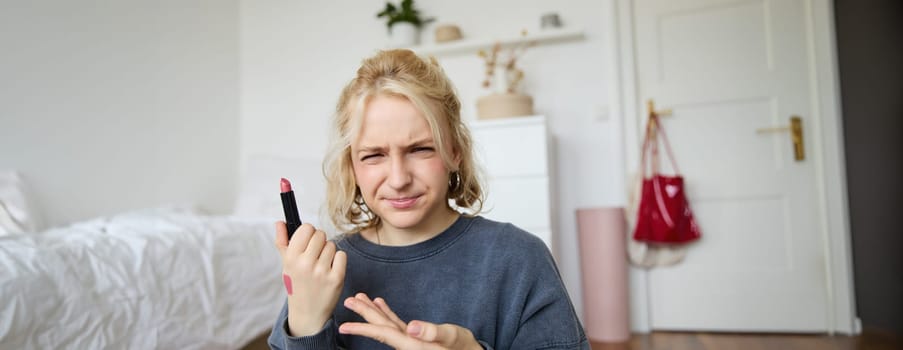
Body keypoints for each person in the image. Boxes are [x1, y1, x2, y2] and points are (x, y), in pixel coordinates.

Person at [268, 49, 589, 350]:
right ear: (351, 166)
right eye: (373, 155)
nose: (398, 179)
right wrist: (306, 321)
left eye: (420, 149)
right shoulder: (323, 270)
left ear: (455, 152)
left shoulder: (519, 259)